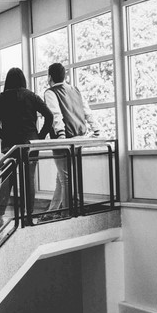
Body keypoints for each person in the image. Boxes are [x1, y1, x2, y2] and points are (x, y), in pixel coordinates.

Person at [0, 67, 55, 231]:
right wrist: (40, 136)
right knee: (29, 179)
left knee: (7, 180)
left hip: (10, 145)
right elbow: (49, 116)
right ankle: (28, 215)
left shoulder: (3, 97)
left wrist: (2, 133)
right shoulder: (31, 96)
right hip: (30, 144)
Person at [42, 62, 100, 217]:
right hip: (80, 138)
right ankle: (53, 210)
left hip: (65, 139)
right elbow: (87, 111)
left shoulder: (50, 92)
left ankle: (67, 213)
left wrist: (60, 135)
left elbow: (56, 115)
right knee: (62, 177)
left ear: (49, 77)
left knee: (65, 177)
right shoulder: (75, 90)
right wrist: (96, 129)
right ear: (65, 76)